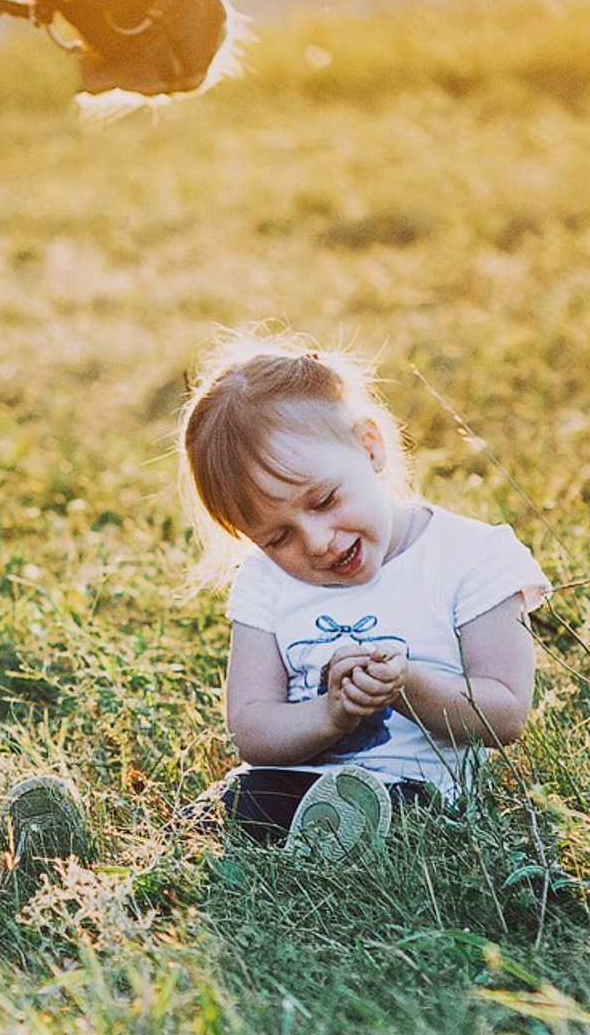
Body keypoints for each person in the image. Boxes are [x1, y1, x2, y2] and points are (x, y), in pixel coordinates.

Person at [178, 332, 550, 859]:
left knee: (400, 819)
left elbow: (506, 715)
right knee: (226, 808)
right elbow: (254, 730)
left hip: (416, 793)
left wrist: (406, 684)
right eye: (277, 537)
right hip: (291, 786)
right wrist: (330, 715)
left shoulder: (471, 557)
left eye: (324, 500)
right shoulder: (266, 581)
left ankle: (342, 839)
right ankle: (46, 843)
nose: (316, 542)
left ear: (370, 446)